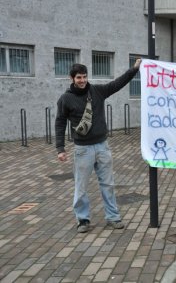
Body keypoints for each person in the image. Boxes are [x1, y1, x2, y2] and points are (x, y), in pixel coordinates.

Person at [55, 58, 142, 233]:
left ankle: (113, 217)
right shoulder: (66, 98)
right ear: (71, 78)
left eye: (85, 76)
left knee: (108, 184)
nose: (82, 80)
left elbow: (117, 84)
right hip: (82, 149)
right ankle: (83, 220)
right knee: (81, 187)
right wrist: (60, 148)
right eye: (79, 77)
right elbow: (60, 122)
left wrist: (134, 69)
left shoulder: (97, 91)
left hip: (102, 146)